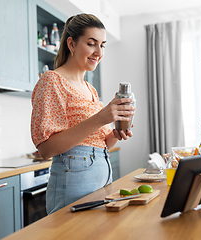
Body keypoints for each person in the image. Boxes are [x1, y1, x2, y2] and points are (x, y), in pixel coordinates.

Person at [31, 13, 135, 214]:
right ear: (71, 44)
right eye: (91, 43)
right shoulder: (52, 81)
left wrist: (115, 134)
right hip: (73, 183)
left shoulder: (90, 89)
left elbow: (99, 142)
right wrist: (101, 118)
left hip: (102, 177)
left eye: (102, 45)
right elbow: (46, 149)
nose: (99, 52)